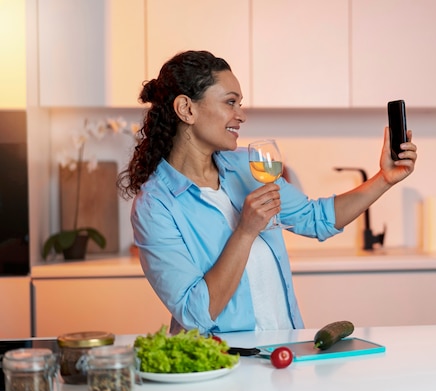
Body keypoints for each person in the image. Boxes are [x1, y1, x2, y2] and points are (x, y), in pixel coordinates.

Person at [117, 50, 417, 335]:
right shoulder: (156, 205)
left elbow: (317, 219)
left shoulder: (248, 165)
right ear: (187, 109)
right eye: (230, 102)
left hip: (285, 349)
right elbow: (195, 314)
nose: (241, 115)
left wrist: (384, 179)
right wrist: (245, 231)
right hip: (224, 363)